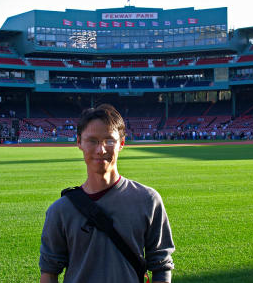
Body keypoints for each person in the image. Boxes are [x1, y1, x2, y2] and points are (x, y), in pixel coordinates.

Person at [39, 104, 175, 283]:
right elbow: (49, 273)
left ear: (122, 143)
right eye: (92, 140)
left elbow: (161, 266)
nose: (101, 150)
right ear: (79, 142)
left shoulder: (148, 200)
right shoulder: (60, 211)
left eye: (109, 140)